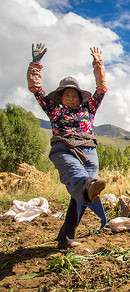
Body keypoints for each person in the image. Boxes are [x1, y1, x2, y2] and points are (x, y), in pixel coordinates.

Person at [27, 43, 108, 249]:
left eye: (74, 95)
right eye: (67, 95)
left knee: (83, 195)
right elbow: (37, 89)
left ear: (80, 98)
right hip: (64, 148)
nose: (71, 98)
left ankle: (66, 238)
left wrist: (98, 64)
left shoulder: (89, 108)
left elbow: (101, 89)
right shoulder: (53, 109)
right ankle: (87, 185)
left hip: (88, 150)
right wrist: (36, 64)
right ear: (60, 97)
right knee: (79, 178)